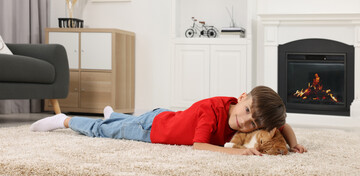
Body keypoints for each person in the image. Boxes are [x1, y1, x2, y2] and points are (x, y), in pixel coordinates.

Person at [30, 86, 307, 155]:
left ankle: (113, 114)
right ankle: (64, 120)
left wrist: (294, 144)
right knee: (104, 131)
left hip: (165, 116)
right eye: (247, 113)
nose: (246, 125)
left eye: (254, 125)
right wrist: (240, 154)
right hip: (151, 129)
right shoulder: (212, 111)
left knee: (121, 121)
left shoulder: (254, 117)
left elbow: (282, 125)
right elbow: (199, 146)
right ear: (242, 96)